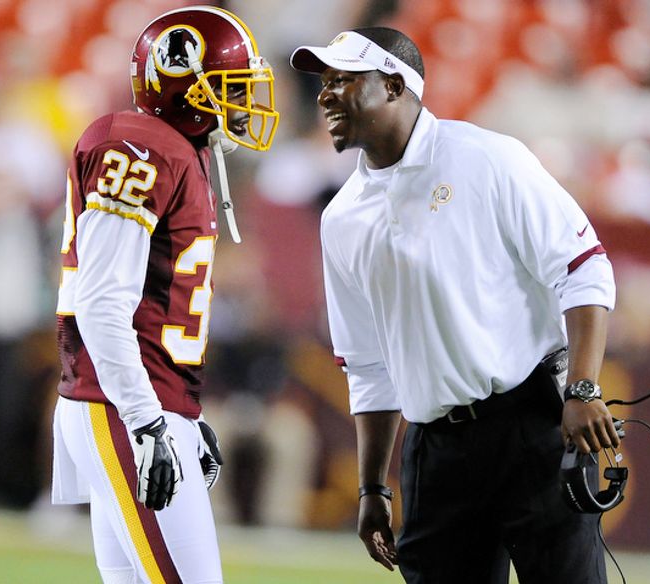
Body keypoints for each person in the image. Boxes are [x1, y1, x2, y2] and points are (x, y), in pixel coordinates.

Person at [291, 27, 620, 583]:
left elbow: (583, 268)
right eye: (324, 83)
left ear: (394, 85)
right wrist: (372, 487)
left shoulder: (486, 158)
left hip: (531, 423)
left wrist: (583, 387)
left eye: (343, 79)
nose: (325, 95)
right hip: (434, 449)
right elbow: (367, 366)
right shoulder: (342, 217)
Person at [51, 7, 279, 584]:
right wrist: (147, 420)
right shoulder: (138, 146)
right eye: (229, 87)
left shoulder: (180, 149)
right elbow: (101, 301)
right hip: (121, 402)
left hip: (137, 399)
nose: (242, 102)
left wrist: (180, 412)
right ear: (181, 83)